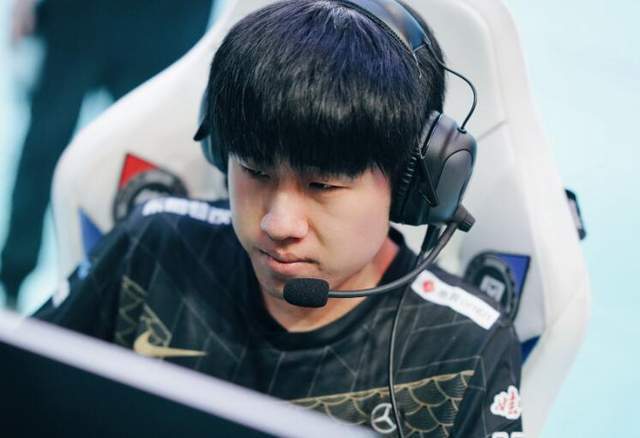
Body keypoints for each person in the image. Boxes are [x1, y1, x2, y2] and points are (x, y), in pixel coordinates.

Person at [34, 1, 523, 436]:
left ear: (410, 183)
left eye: (322, 185)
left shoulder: (463, 350)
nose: (278, 224)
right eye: (255, 170)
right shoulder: (154, 248)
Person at [1, 0, 214, 309]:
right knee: (46, 141)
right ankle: (13, 279)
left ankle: (137, 289)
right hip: (84, 14)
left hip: (168, 17)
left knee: (150, 161)